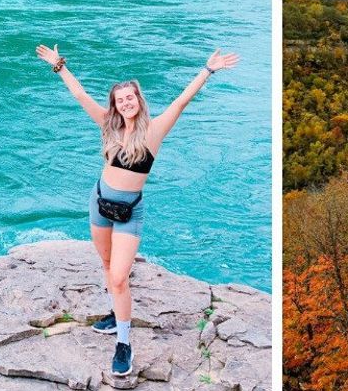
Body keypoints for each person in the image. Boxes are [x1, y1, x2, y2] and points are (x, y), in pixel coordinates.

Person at [34, 43, 240, 377]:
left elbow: (181, 101)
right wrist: (59, 65)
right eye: (120, 100)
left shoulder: (154, 130)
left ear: (139, 100)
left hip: (130, 211)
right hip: (99, 202)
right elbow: (80, 95)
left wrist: (208, 70)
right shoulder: (108, 125)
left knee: (119, 276)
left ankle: (124, 343)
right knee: (106, 265)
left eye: (130, 97)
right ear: (115, 105)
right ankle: (115, 313)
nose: (126, 102)